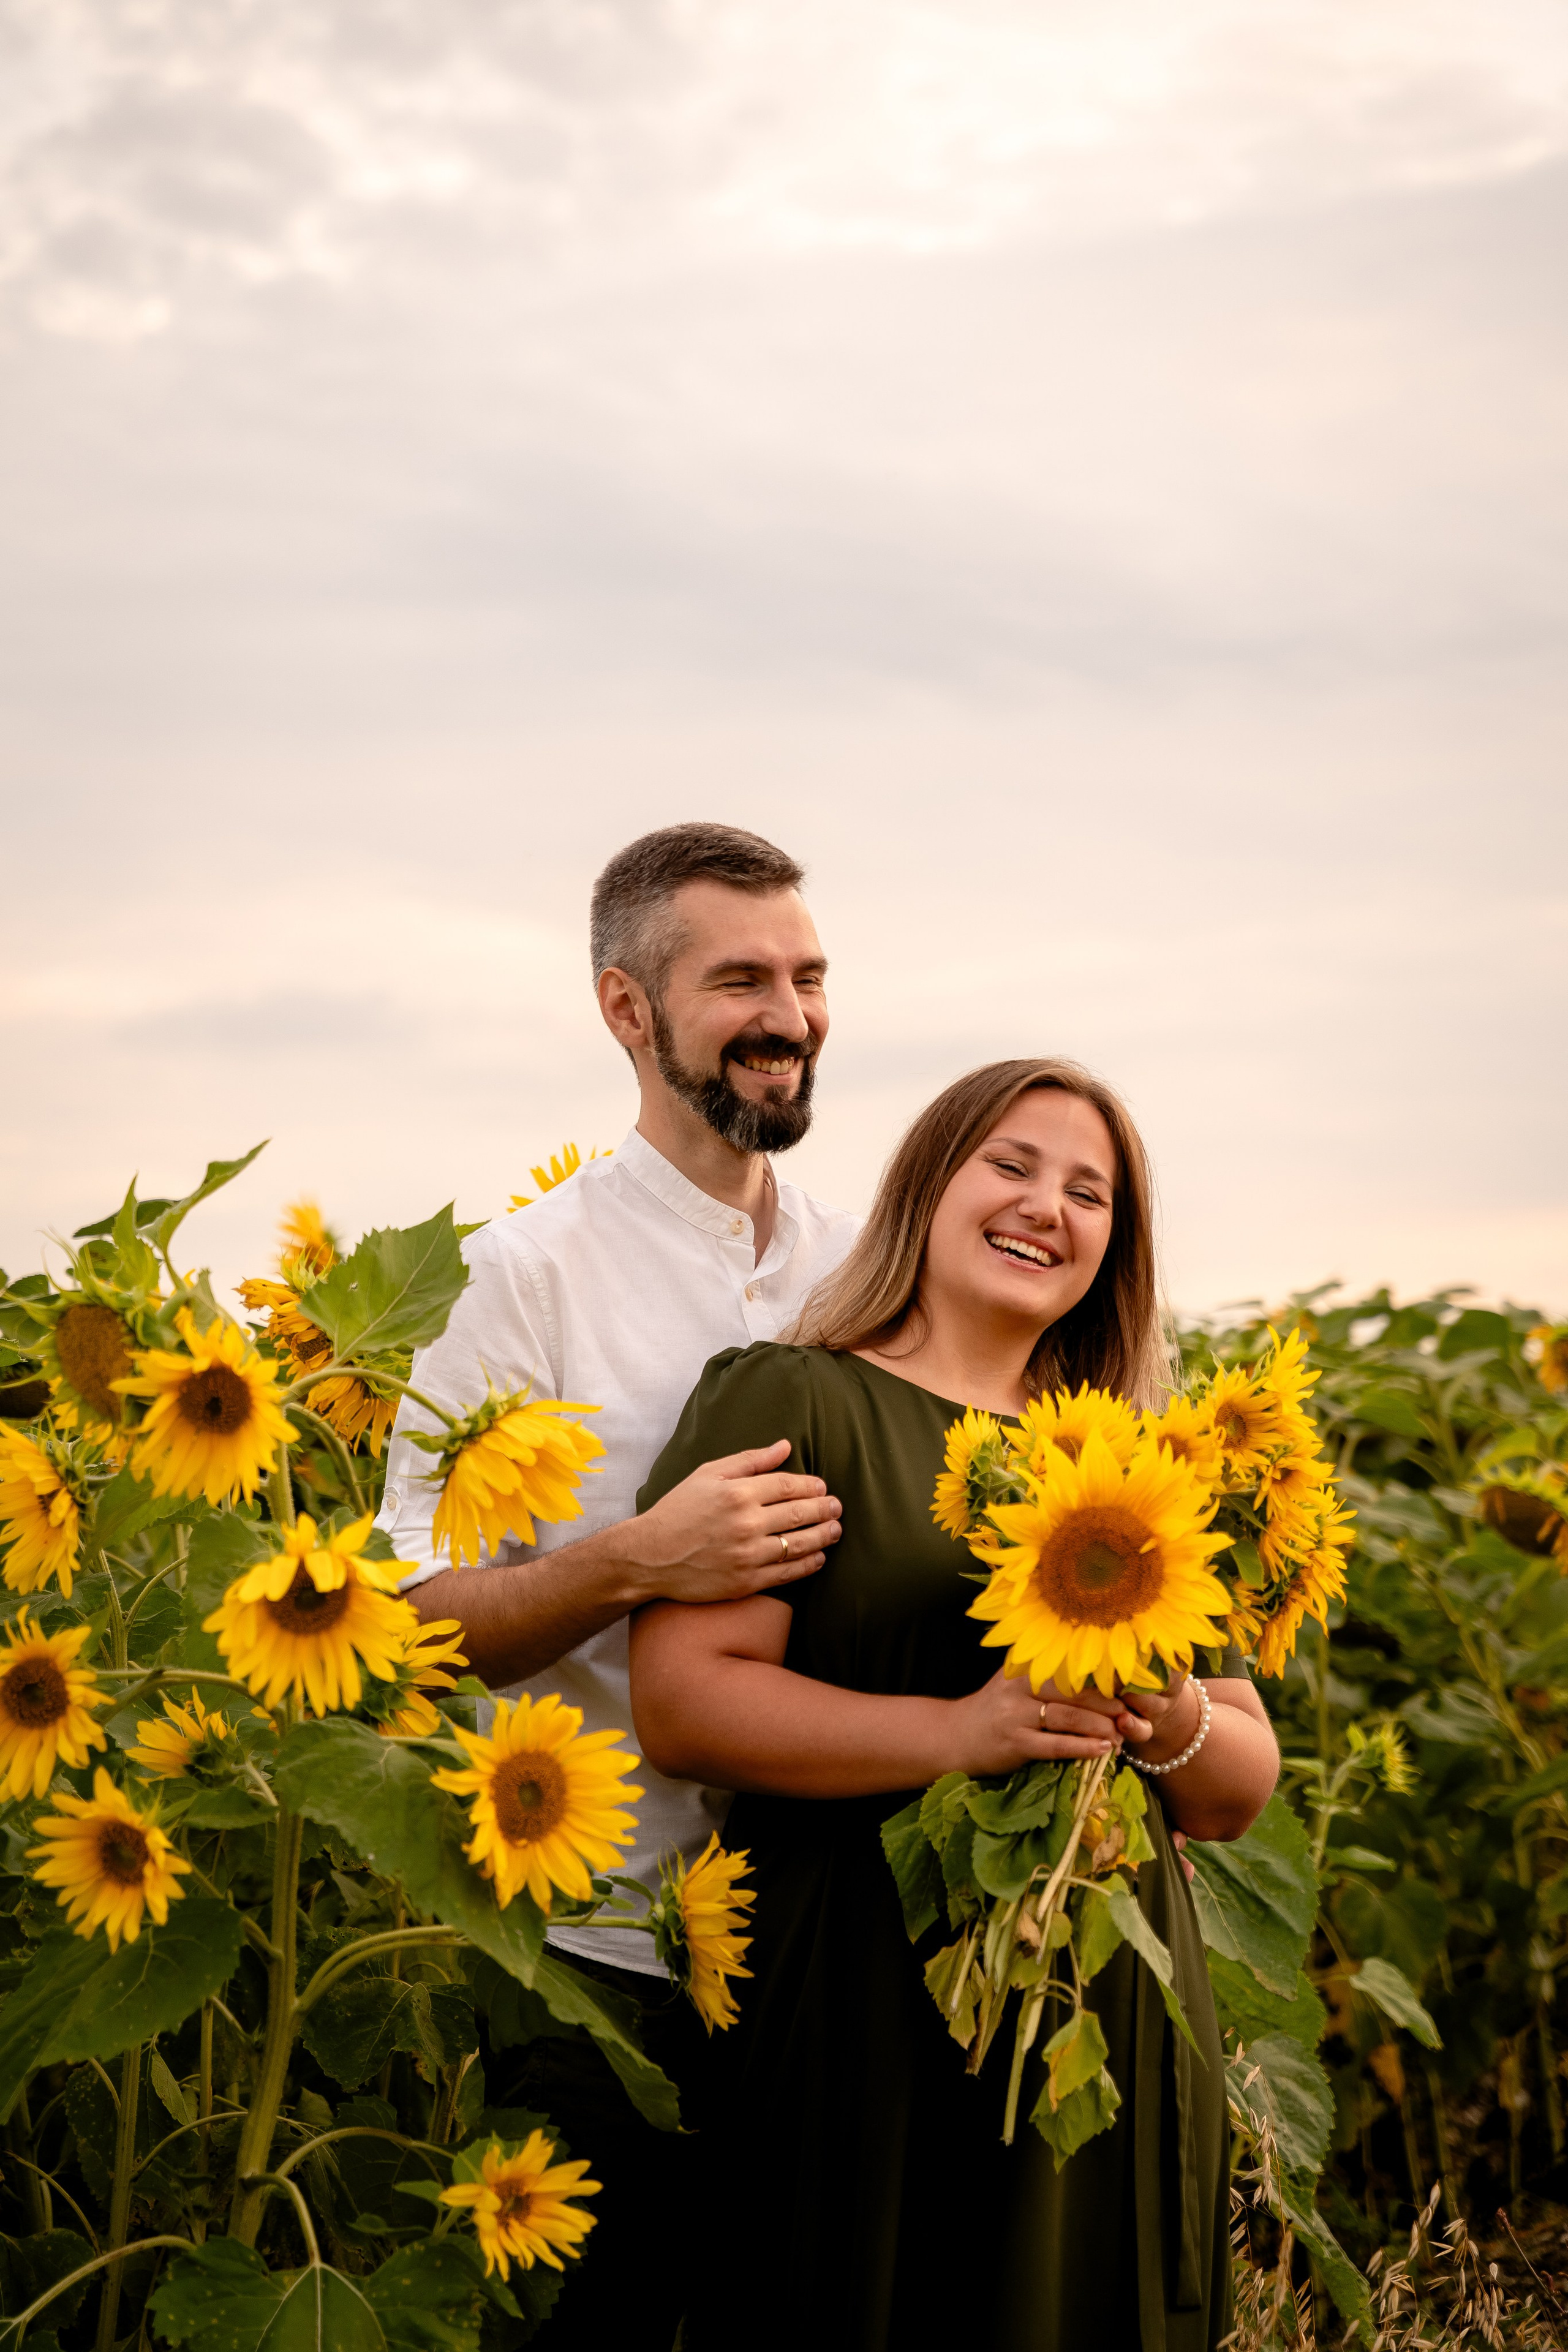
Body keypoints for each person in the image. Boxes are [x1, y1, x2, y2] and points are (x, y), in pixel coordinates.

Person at [630, 1057, 1281, 2352]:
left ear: (1113, 1246)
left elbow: (1236, 1786)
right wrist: (955, 1735)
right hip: (863, 1974)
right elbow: (684, 1701)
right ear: (927, 1184)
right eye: (1013, 1165)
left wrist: (1162, 1716)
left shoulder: (1133, 1462)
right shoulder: (793, 1397)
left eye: (1089, 1192)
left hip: (1103, 1996)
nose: (1048, 1205)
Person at [375, 821, 859, 2350]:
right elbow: (404, 1634)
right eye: (737, 980)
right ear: (626, 1011)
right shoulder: (520, 1279)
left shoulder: (858, 1274)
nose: (786, 1014)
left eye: (805, 973)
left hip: (821, 1954)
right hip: (593, 1962)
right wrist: (635, 1560)